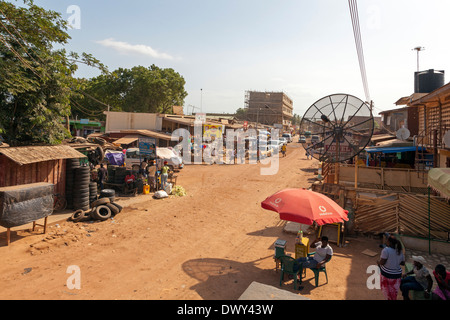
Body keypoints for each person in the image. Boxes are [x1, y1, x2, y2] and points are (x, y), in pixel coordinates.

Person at [377, 235, 405, 300]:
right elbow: (403, 263)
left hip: (386, 274)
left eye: (387, 240)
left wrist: (378, 262)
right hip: (397, 276)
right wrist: (395, 260)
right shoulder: (400, 251)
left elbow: (382, 262)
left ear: (389, 242)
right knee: (393, 293)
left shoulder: (386, 250)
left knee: (386, 292)